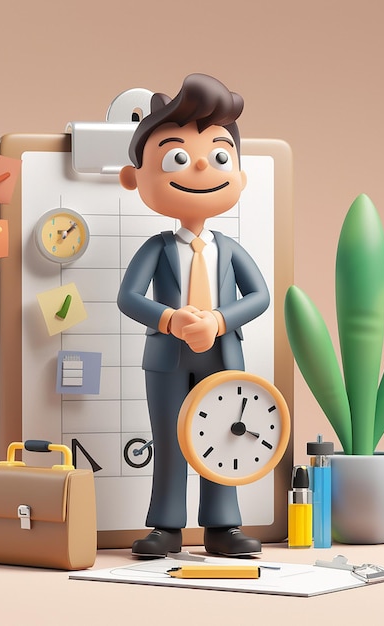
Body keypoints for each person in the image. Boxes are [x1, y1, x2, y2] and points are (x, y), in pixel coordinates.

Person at [117, 74, 270, 558]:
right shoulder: (156, 247)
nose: (202, 164)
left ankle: (222, 526)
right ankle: (166, 525)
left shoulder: (229, 249)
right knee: (170, 439)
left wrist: (220, 321)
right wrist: (170, 320)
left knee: (226, 435)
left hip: (223, 355)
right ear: (134, 178)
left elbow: (260, 295)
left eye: (220, 157)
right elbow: (129, 297)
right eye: (178, 157)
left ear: (239, 176)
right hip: (167, 358)